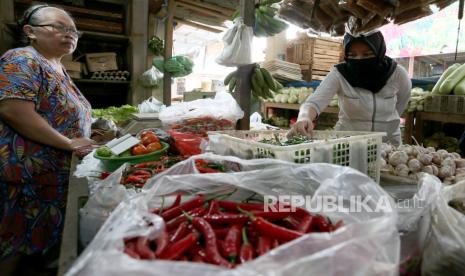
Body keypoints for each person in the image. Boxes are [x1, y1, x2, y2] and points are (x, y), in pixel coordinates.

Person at [0, 4, 93, 275]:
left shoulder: (57, 66)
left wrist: (88, 131)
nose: (69, 34)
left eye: (73, 30)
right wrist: (68, 143)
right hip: (26, 174)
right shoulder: (22, 59)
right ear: (30, 32)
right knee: (14, 245)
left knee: (34, 249)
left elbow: (56, 111)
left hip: (50, 176)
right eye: (59, 27)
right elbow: (13, 110)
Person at [288, 31, 411, 146]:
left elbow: (401, 104)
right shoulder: (340, 74)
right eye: (352, 55)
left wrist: (385, 122)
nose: (359, 59)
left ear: (379, 51)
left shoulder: (397, 73)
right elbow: (314, 102)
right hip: (348, 144)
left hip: (388, 145)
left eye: (367, 54)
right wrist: (304, 117)